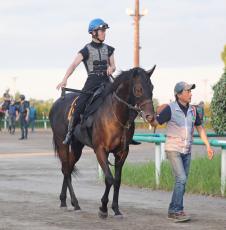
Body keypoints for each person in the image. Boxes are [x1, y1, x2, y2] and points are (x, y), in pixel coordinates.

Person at [151, 81, 214, 223]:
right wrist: (149, 118)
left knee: (182, 182)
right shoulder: (170, 109)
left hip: (187, 150)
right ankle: (175, 211)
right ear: (179, 94)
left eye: (191, 91)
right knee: (181, 179)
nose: (191, 94)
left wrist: (208, 146)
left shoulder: (193, 110)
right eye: (188, 91)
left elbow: (200, 128)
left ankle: (174, 209)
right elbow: (156, 122)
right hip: (173, 149)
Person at [57, 18, 116, 145]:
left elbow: (113, 65)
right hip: (92, 81)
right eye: (102, 30)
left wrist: (111, 68)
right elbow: (73, 65)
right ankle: (70, 132)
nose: (104, 33)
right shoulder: (86, 50)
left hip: (107, 81)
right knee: (79, 105)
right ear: (94, 32)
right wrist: (65, 79)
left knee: (121, 98)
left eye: (105, 31)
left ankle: (126, 133)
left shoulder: (109, 49)